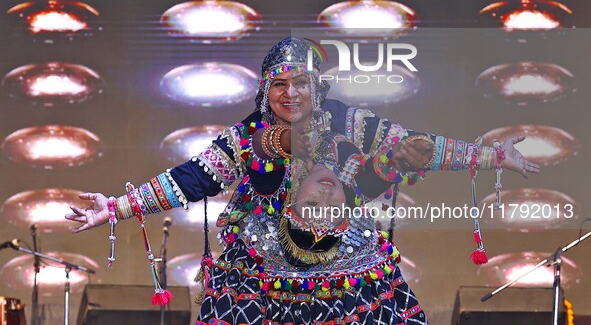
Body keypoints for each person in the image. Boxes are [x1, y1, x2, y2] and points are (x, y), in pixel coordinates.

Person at [65, 37, 540, 325]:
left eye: (301, 84)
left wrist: (492, 154)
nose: (291, 94)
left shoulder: (348, 122)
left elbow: (416, 147)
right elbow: (189, 179)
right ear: (265, 90)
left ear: (318, 87)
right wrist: (113, 208)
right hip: (257, 279)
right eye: (279, 85)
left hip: (345, 273)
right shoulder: (245, 136)